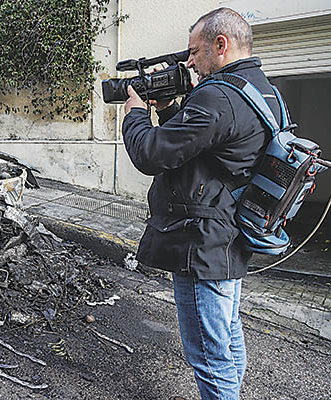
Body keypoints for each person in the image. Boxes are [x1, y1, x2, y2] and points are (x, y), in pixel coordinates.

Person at [121, 8, 283, 400]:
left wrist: (136, 115)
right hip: (231, 236)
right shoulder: (263, 91)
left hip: (202, 245)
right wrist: (170, 109)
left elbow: (151, 154)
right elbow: (206, 147)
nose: (189, 62)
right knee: (227, 337)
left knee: (210, 358)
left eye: (194, 52)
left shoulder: (219, 96)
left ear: (220, 44)